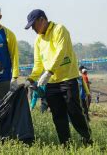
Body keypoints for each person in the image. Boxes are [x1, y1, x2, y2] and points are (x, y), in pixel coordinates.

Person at [24, 9, 92, 146]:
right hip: (51, 84)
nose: (33, 29)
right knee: (58, 116)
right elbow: (38, 64)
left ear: (42, 20)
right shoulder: (38, 40)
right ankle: (65, 145)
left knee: (75, 112)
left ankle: (87, 139)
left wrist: (49, 71)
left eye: (34, 25)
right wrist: (30, 79)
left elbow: (61, 52)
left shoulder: (59, 30)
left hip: (68, 79)